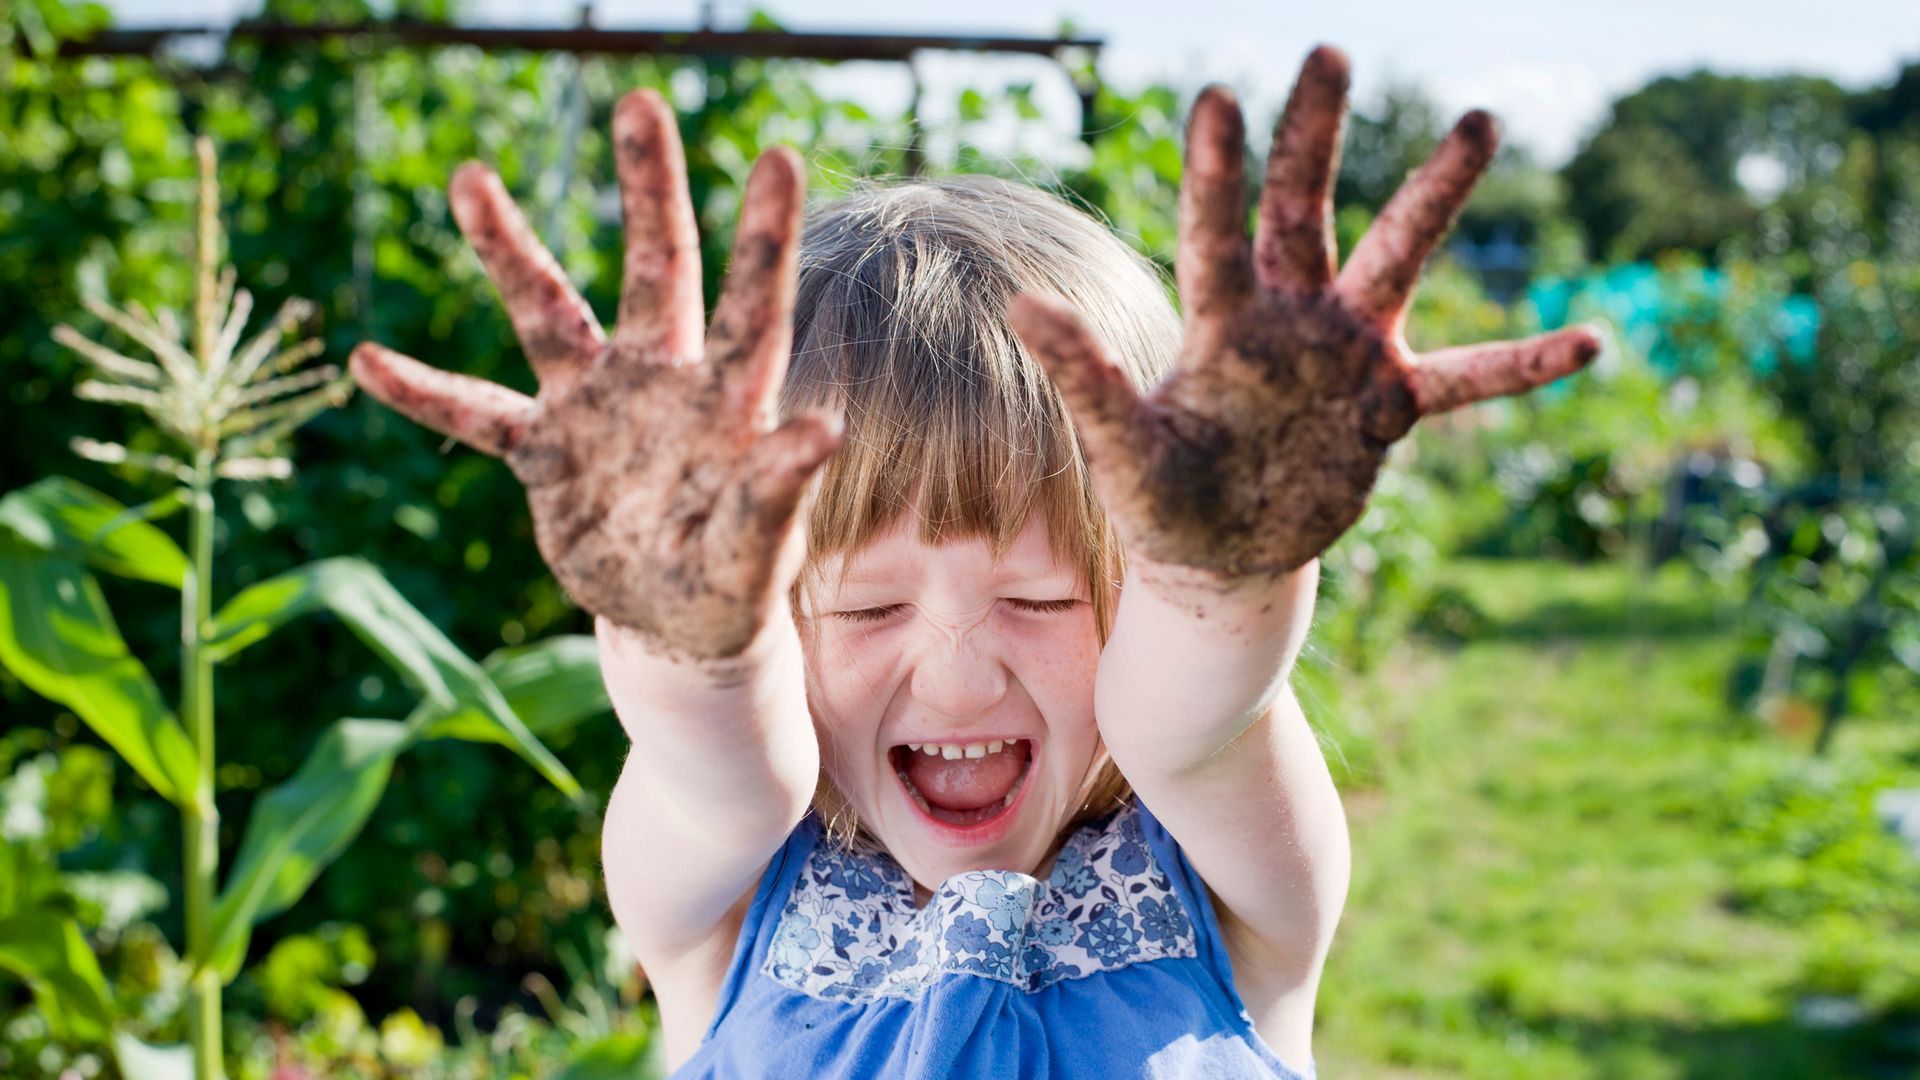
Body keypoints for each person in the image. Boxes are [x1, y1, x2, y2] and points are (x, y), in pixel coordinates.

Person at [350, 44, 1598, 1079]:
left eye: (1042, 595)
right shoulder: (725, 898)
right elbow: (723, 759)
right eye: (870, 603)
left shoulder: (1230, 880)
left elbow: (1192, 715)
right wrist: (682, 630)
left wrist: (1233, 564)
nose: (957, 679)